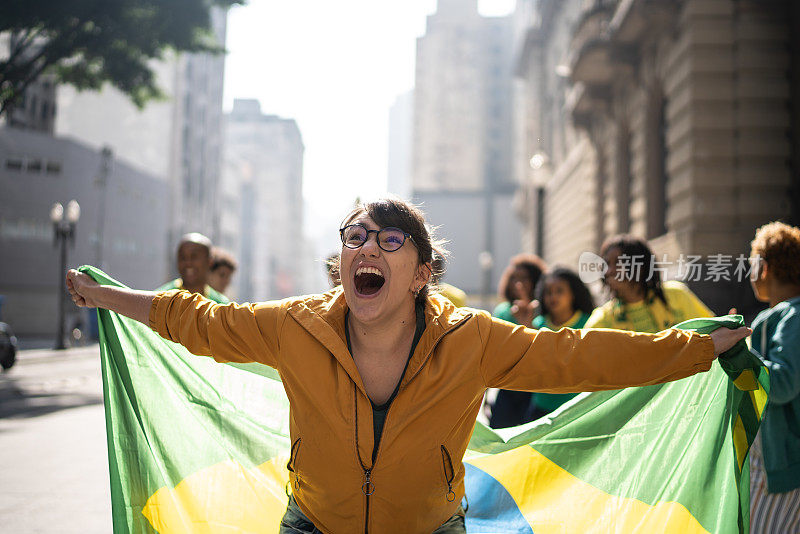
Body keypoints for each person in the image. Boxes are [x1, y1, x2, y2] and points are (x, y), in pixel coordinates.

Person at [65, 198, 748, 534]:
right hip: (313, 525)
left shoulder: (472, 338)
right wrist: (107, 296)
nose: (367, 247)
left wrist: (694, 349)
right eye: (356, 237)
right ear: (343, 263)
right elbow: (200, 322)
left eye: (390, 241)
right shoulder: (294, 325)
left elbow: (578, 358)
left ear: (420, 273)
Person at [746, 221, 800, 533]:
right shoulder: (786, 315)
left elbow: (781, 384)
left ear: (763, 267)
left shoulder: (794, 316)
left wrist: (739, 351)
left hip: (780, 469)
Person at [585, 234, 713, 332]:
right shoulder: (602, 320)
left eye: (618, 262)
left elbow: (711, 330)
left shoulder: (677, 295)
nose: (609, 271)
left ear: (641, 267)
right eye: (606, 264)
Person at [489, 253, 547, 428]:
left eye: (524, 278)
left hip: (535, 389)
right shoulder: (503, 311)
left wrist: (528, 323)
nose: (518, 284)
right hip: (507, 386)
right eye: (514, 278)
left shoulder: (544, 311)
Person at [528, 266, 595, 419]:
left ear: (573, 294)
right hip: (541, 406)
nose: (553, 297)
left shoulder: (588, 323)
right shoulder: (536, 325)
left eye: (559, 291)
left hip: (576, 408)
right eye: (548, 292)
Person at [158, 233, 228, 304]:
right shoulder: (160, 300)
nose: (188, 263)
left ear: (209, 262)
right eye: (183, 257)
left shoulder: (221, 305)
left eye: (194, 257)